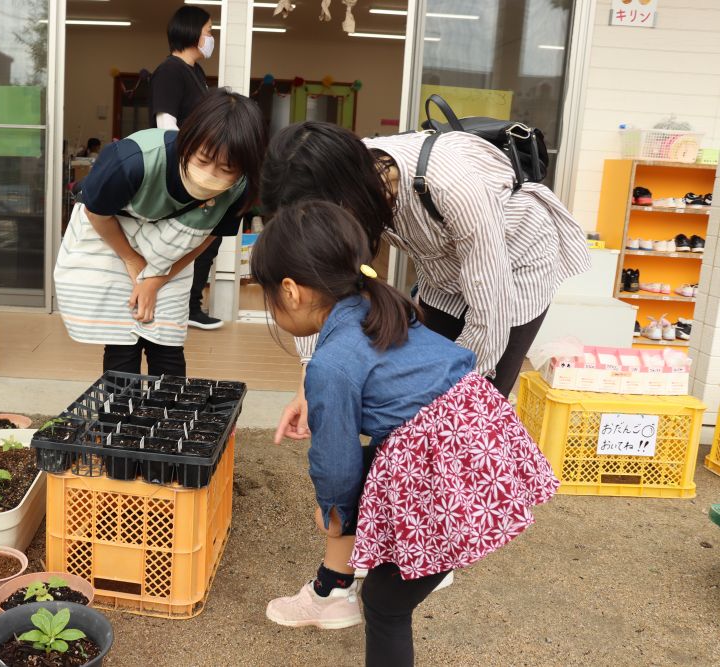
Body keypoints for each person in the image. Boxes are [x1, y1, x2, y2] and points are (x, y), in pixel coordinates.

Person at [255, 201, 558, 666]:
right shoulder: (382, 306)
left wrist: (336, 514)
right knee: (393, 578)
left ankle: (336, 593)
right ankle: (340, 586)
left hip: (444, 470)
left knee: (384, 602)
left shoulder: (332, 364)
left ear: (290, 291)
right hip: (481, 444)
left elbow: (335, 461)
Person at [261, 121, 591, 442]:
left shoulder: (452, 184)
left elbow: (491, 311)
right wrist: (310, 377)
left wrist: (453, 400)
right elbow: (313, 281)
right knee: (413, 398)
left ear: (346, 199)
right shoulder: (341, 176)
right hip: (443, 272)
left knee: (471, 408)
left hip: (516, 267)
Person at [54, 89, 265, 377]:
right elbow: (96, 212)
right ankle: (118, 419)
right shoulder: (131, 161)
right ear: (187, 141)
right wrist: (131, 259)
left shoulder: (240, 188)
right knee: (122, 341)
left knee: (167, 343)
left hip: (176, 250)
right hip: (113, 233)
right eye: (203, 161)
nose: (211, 174)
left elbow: (208, 238)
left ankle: (170, 418)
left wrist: (156, 279)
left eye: (226, 169)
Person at [151, 5, 225, 331]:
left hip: (200, 169)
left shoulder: (195, 74)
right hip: (182, 171)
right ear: (193, 33)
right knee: (190, 236)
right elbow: (166, 125)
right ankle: (179, 304)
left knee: (209, 237)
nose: (211, 38)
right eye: (209, 31)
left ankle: (191, 304)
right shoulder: (170, 71)